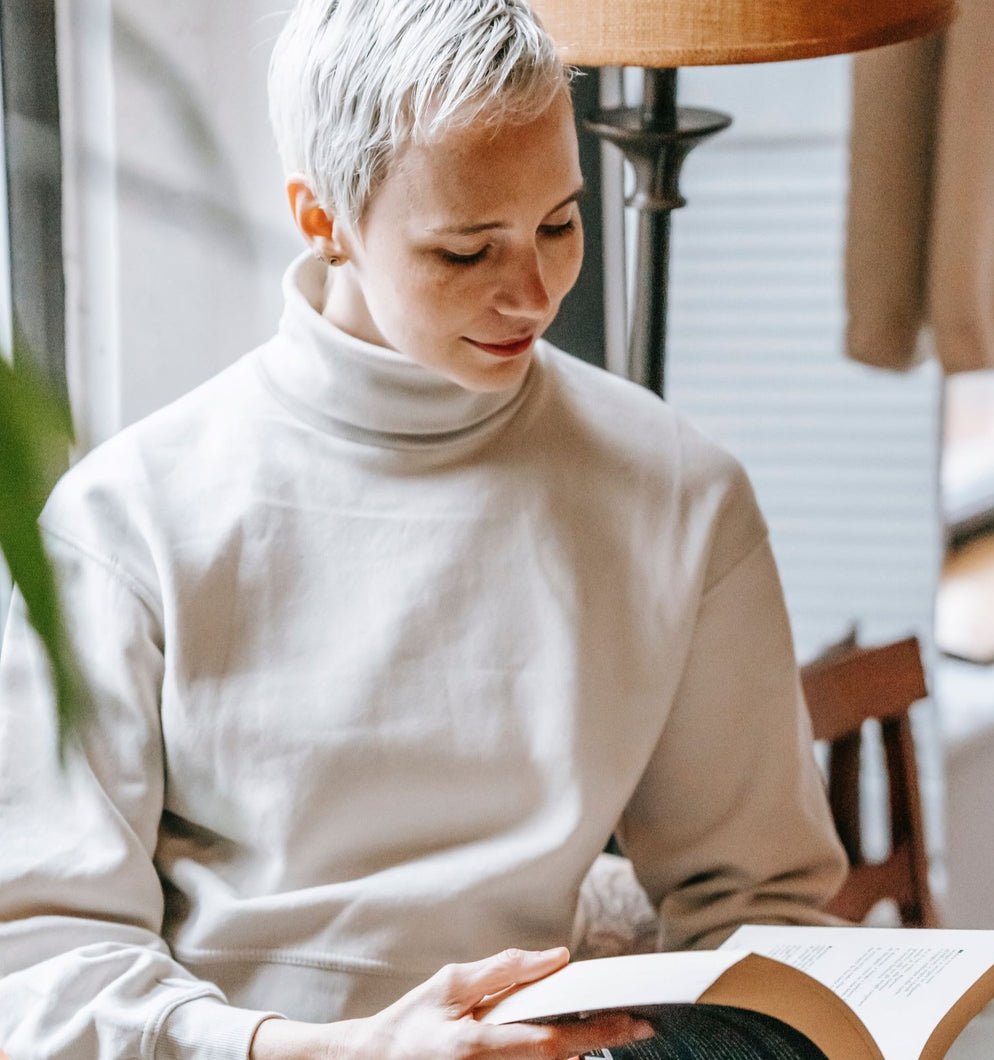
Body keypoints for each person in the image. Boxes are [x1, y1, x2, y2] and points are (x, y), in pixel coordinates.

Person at [0, 1, 847, 1057]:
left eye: (559, 222)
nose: (533, 292)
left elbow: (760, 907)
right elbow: (37, 966)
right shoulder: (131, 517)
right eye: (464, 250)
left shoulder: (676, 490)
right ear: (322, 220)